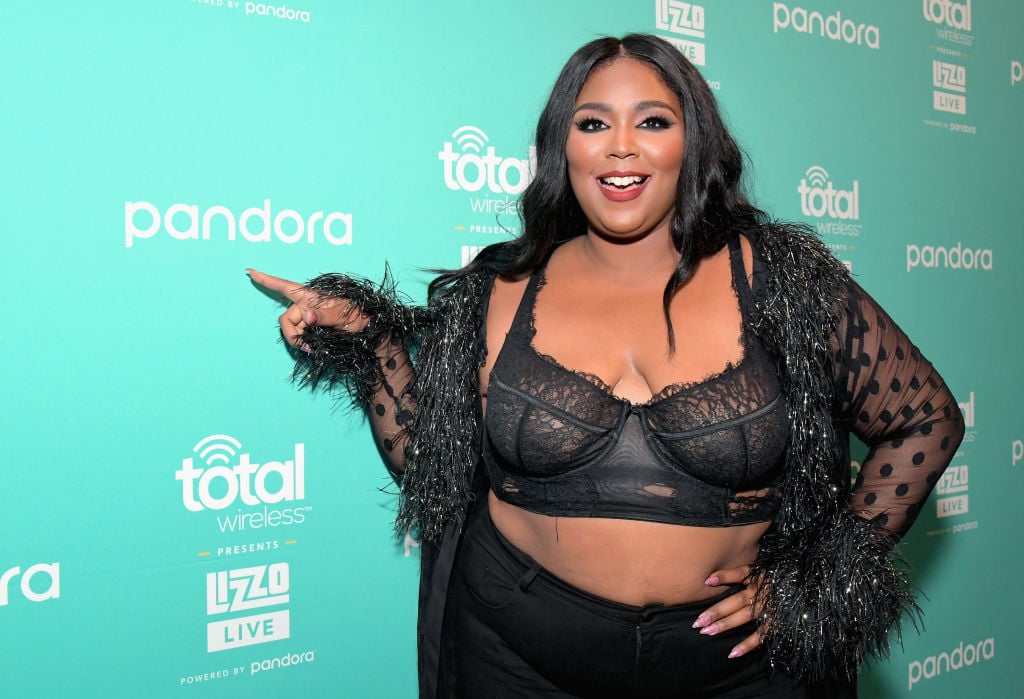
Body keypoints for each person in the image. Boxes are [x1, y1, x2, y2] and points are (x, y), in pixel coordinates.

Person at [248, 34, 964, 699]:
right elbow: (433, 464)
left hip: (740, 671)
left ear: (693, 141)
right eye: (592, 123)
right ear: (562, 147)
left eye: (652, 121)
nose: (621, 147)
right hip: (516, 655)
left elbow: (925, 418)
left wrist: (819, 576)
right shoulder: (498, 289)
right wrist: (371, 338)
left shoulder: (781, 280)